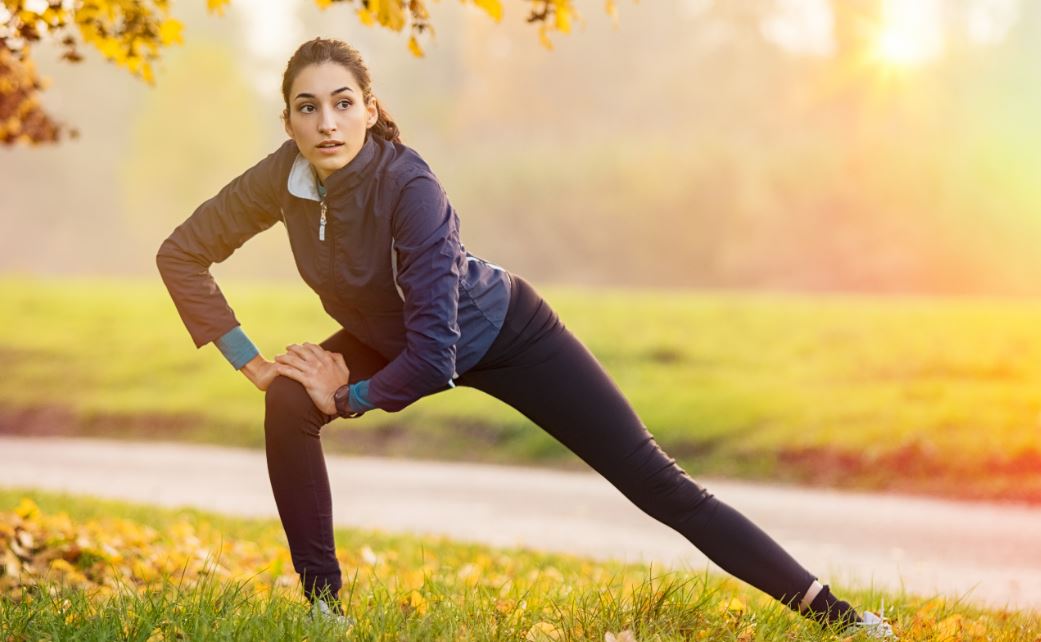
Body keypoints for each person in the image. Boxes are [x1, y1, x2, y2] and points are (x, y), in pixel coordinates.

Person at [155, 37, 895, 638]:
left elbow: (435, 355)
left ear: (369, 109)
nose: (326, 123)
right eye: (306, 107)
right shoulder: (281, 178)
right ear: (286, 121)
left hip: (503, 331)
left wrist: (346, 396)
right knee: (287, 402)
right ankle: (322, 610)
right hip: (393, 334)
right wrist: (253, 364)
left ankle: (836, 616)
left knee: (655, 483)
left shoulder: (409, 187)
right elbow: (181, 252)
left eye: (343, 104)